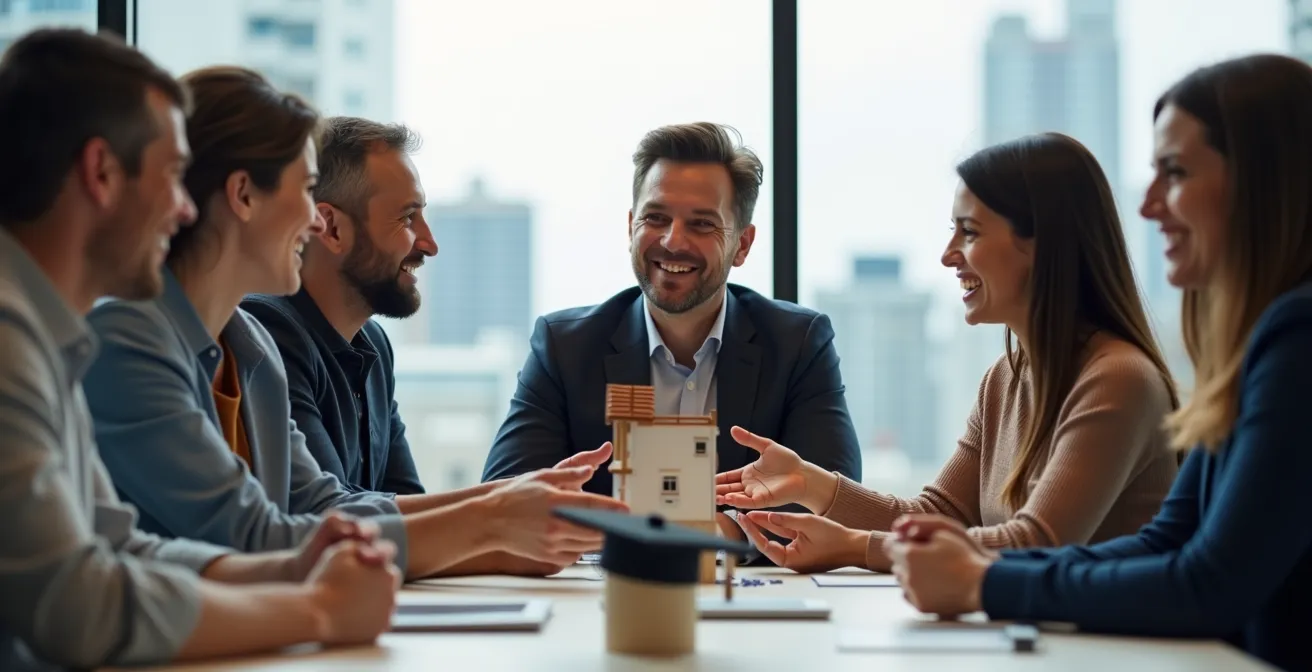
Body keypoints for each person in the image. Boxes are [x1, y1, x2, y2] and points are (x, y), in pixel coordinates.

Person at [83, 65, 625, 581]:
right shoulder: (128, 344)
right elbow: (258, 534)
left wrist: (508, 500)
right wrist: (492, 519)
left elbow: (318, 504)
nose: (313, 218)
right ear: (243, 195)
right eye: (305, 190)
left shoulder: (250, 348)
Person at [887, 54, 1312, 672]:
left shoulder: (1298, 339)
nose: (1148, 206)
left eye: (1174, 172)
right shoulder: (1255, 347)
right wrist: (984, 569)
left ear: (1263, 183)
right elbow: (1166, 543)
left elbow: (1209, 584)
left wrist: (984, 582)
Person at [0, 28, 400, 671]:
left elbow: (120, 548)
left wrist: (292, 568)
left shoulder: (51, 337)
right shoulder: (12, 339)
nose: (186, 208)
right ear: (101, 173)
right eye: (171, 177)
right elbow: (76, 605)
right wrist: (317, 610)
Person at [715, 132, 1180, 573]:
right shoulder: (1005, 377)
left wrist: (858, 546)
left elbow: (1036, 543)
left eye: (970, 232)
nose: (948, 254)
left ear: (1046, 244)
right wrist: (809, 483)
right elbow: (937, 514)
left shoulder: (1118, 379)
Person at [480, 122, 863, 542]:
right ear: (631, 226)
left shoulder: (798, 343)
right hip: (603, 581)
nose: (672, 241)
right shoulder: (565, 346)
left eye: (701, 224)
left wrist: (705, 535)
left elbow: (834, 504)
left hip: (742, 580)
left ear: (742, 244)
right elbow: (502, 499)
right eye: (656, 218)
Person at [238, 117, 432, 495]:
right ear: (331, 227)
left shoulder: (374, 344)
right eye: (408, 218)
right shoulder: (268, 330)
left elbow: (408, 501)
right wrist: (500, 505)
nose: (429, 244)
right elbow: (327, 512)